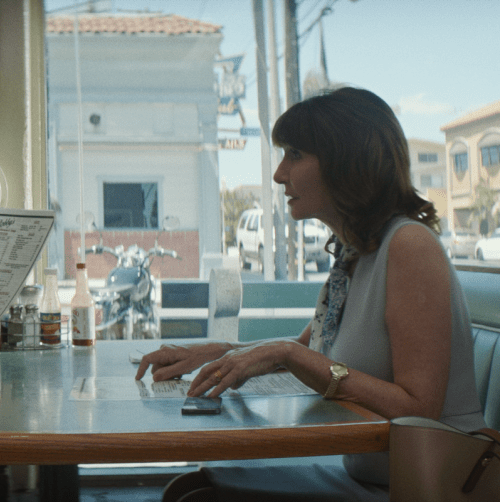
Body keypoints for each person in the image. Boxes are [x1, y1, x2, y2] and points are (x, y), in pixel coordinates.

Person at [137, 87, 487, 502]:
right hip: (367, 474)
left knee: (198, 496)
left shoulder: (409, 246)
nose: (279, 173)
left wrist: (287, 353)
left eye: (295, 154)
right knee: (194, 486)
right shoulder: (356, 250)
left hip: (423, 488)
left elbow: (418, 409)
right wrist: (213, 354)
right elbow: (306, 351)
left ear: (346, 164)